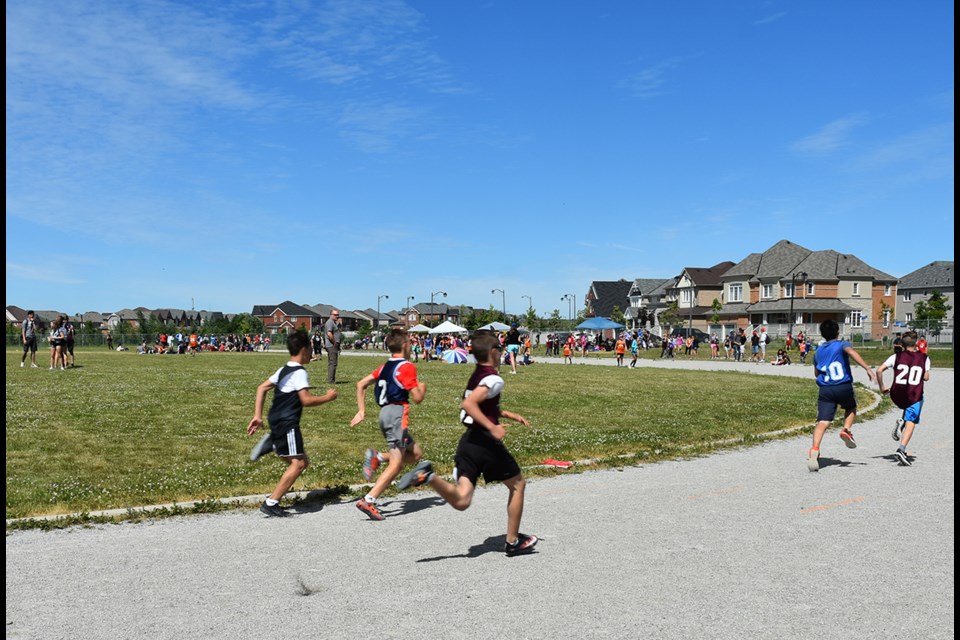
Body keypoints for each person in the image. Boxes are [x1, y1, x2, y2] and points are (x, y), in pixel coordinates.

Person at [394, 331, 538, 557]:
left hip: (468, 442)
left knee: (462, 500)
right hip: (485, 443)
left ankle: (429, 477)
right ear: (492, 352)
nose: (501, 354)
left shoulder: (476, 376)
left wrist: (508, 415)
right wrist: (492, 427)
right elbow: (469, 404)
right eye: (499, 350)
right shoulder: (494, 378)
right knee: (518, 485)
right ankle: (512, 541)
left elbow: (480, 406)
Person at [246, 331, 338, 516]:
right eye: (311, 348)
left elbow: (261, 387)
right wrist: (328, 397)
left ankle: (273, 443)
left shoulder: (284, 369)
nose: (312, 351)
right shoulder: (299, 372)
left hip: (277, 419)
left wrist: (258, 416)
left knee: (302, 460)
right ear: (304, 349)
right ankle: (271, 502)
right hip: (287, 423)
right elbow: (306, 400)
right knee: (299, 464)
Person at [349, 328, 427, 520]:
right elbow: (417, 398)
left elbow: (361, 384)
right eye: (410, 342)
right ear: (404, 345)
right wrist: (422, 388)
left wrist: (361, 410)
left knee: (416, 453)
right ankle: (369, 500)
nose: (411, 345)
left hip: (385, 415)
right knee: (397, 463)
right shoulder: (407, 367)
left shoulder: (385, 367)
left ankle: (378, 457)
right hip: (396, 416)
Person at [807, 319, 876, 472]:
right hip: (843, 386)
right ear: (838, 331)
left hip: (826, 389)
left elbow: (816, 373)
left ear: (822, 335)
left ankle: (814, 449)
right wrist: (867, 368)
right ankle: (846, 429)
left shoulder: (817, 352)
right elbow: (851, 353)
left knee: (823, 421)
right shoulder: (842, 344)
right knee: (851, 406)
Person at [875, 331, 931, 467]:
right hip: (913, 393)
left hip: (897, 393)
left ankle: (902, 421)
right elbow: (926, 377)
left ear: (901, 344)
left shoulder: (896, 357)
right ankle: (902, 449)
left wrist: (882, 386)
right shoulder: (923, 358)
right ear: (916, 343)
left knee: (908, 408)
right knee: (912, 420)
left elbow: (879, 370)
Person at [324, 310, 343, 383]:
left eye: (338, 315)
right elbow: (329, 334)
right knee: (333, 363)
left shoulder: (334, 323)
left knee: (332, 363)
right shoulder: (330, 322)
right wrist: (335, 343)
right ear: (331, 315)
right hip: (331, 345)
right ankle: (331, 381)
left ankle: (331, 379)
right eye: (335, 315)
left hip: (333, 345)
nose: (337, 316)